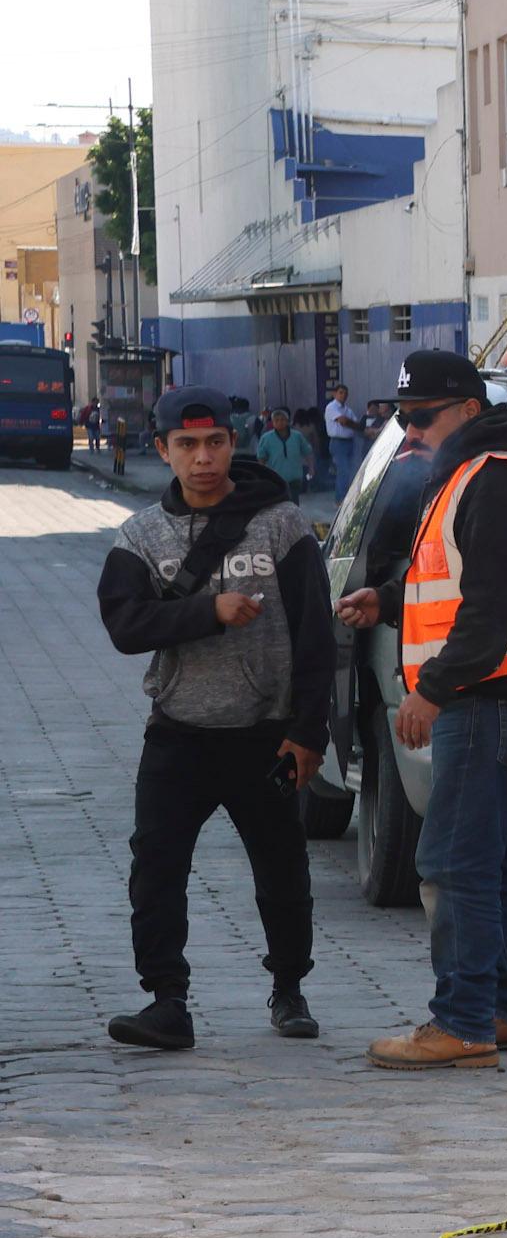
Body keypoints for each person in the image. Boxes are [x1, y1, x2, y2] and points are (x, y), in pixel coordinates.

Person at [334, 351, 507, 1068]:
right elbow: (450, 583)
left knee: (453, 864)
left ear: (469, 413)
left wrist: (431, 690)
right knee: (499, 865)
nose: (408, 432)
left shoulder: (494, 482)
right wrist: (386, 600)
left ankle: (463, 1023)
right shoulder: (471, 477)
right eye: (400, 417)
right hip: (503, 703)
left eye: (421, 418)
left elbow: (490, 614)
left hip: (489, 704)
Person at [95, 387, 335, 1050]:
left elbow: (318, 637)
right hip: (179, 734)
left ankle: (289, 988)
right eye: (187, 446)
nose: (203, 458)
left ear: (234, 443)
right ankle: (167, 1002)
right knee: (156, 869)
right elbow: (124, 624)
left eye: (216, 443)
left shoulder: (282, 525)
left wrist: (309, 732)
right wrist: (209, 611)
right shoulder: (141, 536)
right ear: (163, 450)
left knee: (282, 868)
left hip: (267, 734)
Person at [250, 408, 314, 493]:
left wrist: (311, 468)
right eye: (276, 420)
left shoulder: (297, 436)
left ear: (287, 421)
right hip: (275, 478)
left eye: (283, 420)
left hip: (294, 477)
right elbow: (261, 457)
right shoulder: (266, 438)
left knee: (293, 502)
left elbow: (307, 452)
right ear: (272, 423)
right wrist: (263, 474)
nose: (280, 422)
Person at [324, 381, 364, 498]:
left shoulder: (347, 409)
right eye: (340, 393)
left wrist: (354, 425)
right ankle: (340, 499)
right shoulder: (331, 407)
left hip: (349, 442)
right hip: (338, 442)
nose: (343, 395)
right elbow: (343, 421)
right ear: (334, 394)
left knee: (349, 470)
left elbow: (356, 423)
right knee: (343, 471)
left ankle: (346, 497)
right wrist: (353, 424)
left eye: (345, 393)